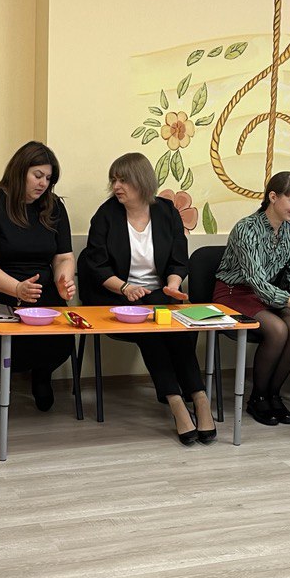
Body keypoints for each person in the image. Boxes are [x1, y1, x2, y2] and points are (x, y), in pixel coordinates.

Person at [81, 152, 215, 445]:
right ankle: (175, 402)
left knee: (178, 329)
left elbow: (179, 259)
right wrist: (125, 288)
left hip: (159, 293)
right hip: (116, 294)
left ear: (141, 181)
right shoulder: (106, 215)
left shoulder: (166, 212)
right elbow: (96, 266)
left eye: (123, 180)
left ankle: (200, 398)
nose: (116, 186)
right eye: (114, 180)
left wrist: (172, 286)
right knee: (150, 330)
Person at [213, 171, 290, 426]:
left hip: (267, 293)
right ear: (273, 197)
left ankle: (274, 395)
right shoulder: (246, 228)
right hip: (233, 292)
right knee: (279, 330)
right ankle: (258, 398)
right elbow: (258, 282)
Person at [0, 141, 76, 412]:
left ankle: (42, 374)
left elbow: (64, 257)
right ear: (19, 171)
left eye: (48, 178)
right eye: (37, 175)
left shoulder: (53, 207)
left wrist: (63, 280)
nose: (43, 184)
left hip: (40, 291)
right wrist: (16, 288)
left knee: (61, 331)